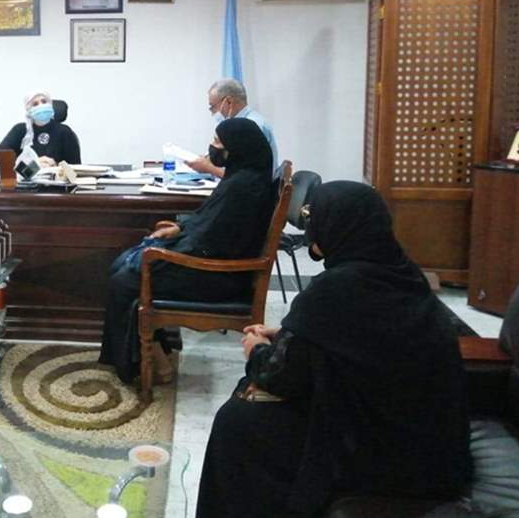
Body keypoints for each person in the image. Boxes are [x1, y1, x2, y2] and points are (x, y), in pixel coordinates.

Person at [196, 181, 471, 518]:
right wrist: (290, 332)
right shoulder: (401, 270)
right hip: (432, 447)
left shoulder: (335, 288)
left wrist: (256, 349)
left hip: (385, 454)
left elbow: (279, 377)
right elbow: (362, 338)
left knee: (238, 421)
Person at [98, 118, 275, 384]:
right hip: (214, 264)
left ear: (237, 147)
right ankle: (155, 354)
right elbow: (208, 222)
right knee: (125, 265)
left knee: (124, 280)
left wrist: (168, 251)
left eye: (218, 142)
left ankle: (154, 363)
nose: (212, 147)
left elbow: (210, 240)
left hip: (220, 277)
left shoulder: (243, 187)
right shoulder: (243, 177)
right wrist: (179, 230)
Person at [187, 79, 277, 177]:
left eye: (213, 106)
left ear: (229, 102)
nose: (212, 113)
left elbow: (243, 177)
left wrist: (208, 168)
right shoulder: (238, 125)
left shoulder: (250, 127)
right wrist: (208, 160)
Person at [0, 90, 81, 168]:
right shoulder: (20, 130)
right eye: (35, 104)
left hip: (56, 181)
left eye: (44, 101)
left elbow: (76, 169)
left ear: (50, 105)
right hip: (26, 180)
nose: (41, 106)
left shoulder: (65, 132)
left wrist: (56, 167)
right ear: (29, 110)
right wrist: (34, 165)